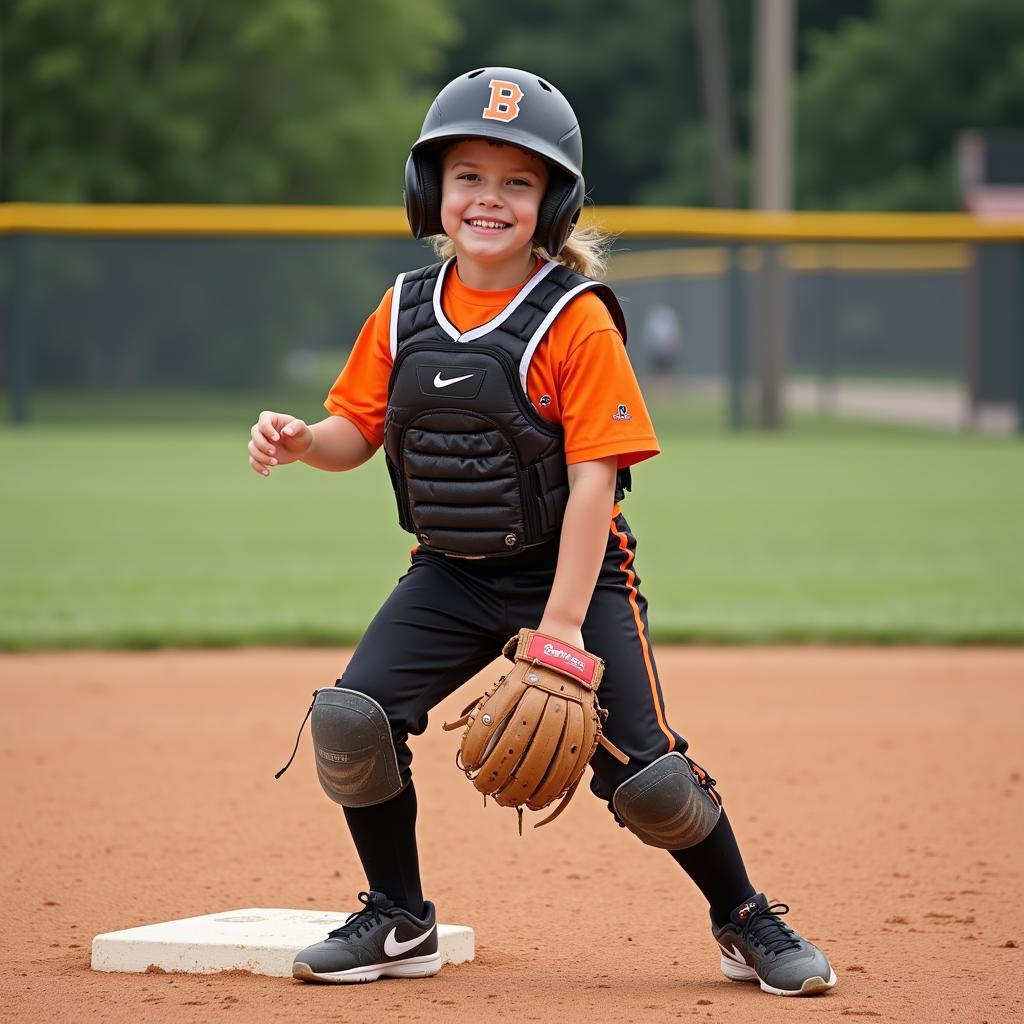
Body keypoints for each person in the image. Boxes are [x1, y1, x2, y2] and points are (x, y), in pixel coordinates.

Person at [248, 67, 837, 996]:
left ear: (551, 203)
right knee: (350, 720)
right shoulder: (403, 309)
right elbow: (354, 432)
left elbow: (596, 480)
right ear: (430, 192)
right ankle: (400, 918)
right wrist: (298, 441)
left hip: (578, 578)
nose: (489, 198)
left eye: (518, 181)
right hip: (449, 572)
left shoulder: (574, 319)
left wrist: (560, 628)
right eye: (468, 175)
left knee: (648, 781)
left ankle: (745, 920)